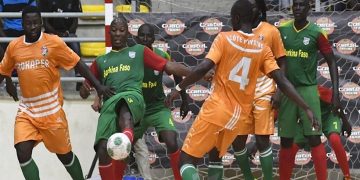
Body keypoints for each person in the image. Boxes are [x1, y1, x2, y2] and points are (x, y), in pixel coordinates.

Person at [176, 0, 319, 179]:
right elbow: (282, 80)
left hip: (217, 109)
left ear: (235, 18)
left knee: (186, 161)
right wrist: (306, 107)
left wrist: (178, 87)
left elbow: (202, 68)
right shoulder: (262, 48)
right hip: (238, 117)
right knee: (215, 154)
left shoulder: (223, 38)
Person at [0, 6, 113, 180]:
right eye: (28, 23)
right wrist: (8, 81)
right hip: (27, 110)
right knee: (22, 150)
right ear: (22, 24)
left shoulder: (53, 43)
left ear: (41, 23)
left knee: (65, 156)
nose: (32, 27)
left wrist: (98, 86)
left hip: (52, 112)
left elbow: (77, 63)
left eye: (36, 23)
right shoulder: (15, 46)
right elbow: (4, 68)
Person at [83, 17, 193, 180]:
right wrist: (96, 97)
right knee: (121, 149)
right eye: (142, 36)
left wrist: (186, 92)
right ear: (135, 37)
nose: (145, 39)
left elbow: (174, 71)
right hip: (134, 111)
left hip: (154, 106)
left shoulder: (149, 54)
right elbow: (108, 81)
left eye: (149, 36)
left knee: (171, 139)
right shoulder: (112, 59)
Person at [207, 0, 287, 179]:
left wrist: (279, 91)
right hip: (241, 93)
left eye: (253, 5)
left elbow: (282, 62)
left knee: (262, 140)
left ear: (259, 9)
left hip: (264, 91)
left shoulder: (271, 31)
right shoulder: (236, 31)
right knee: (238, 141)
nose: (250, 8)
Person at [276, 0, 341, 179]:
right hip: (287, 91)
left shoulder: (316, 32)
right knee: (286, 140)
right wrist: (276, 90)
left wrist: (335, 94)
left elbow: (332, 61)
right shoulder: (282, 30)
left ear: (308, 8)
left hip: (308, 90)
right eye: (294, 5)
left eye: (301, 5)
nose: (297, 8)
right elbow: (276, 62)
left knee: (314, 138)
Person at [293, 85, 352, 180]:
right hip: (309, 120)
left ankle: (347, 177)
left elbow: (336, 104)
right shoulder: (293, 93)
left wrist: (345, 122)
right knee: (291, 148)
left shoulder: (319, 90)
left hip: (328, 117)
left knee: (335, 140)